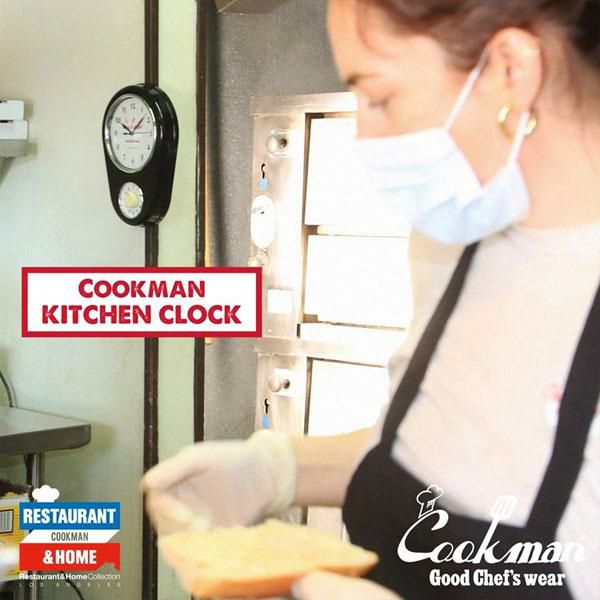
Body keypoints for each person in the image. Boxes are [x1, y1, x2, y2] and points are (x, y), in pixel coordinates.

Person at [142, 0, 600, 598]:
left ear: (510, 68)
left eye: (379, 97)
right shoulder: (451, 242)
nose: (365, 134)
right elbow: (435, 449)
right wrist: (279, 469)